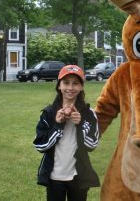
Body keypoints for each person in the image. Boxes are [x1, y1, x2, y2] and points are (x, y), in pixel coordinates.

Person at [33, 65, 100, 201]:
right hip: (54, 176)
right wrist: (57, 125)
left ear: (81, 87)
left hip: (78, 176)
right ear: (59, 86)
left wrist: (80, 124)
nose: (70, 87)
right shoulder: (49, 113)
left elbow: (92, 145)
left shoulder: (88, 113)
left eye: (75, 83)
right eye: (66, 82)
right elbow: (40, 146)